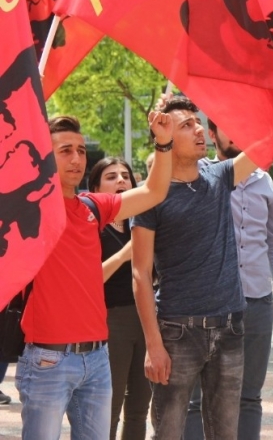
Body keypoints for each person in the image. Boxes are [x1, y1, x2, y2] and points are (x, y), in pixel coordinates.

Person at [131, 47, 273, 438]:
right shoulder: (150, 195)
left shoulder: (220, 176)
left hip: (231, 326)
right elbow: (140, 272)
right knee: (168, 431)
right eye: (186, 125)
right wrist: (153, 343)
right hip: (176, 331)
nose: (199, 129)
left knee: (226, 432)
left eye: (198, 123)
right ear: (164, 135)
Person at [15, 112, 172, 440]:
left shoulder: (93, 207)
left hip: (98, 360)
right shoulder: (28, 207)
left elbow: (155, 192)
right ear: (45, 156)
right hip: (47, 360)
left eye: (81, 150)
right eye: (65, 151)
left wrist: (163, 142)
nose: (76, 158)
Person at [182, 119, 273, 440]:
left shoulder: (264, 182)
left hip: (257, 303)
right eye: (230, 125)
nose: (240, 133)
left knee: (249, 395)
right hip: (210, 303)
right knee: (197, 398)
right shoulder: (199, 177)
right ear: (213, 135)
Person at [88, 157, 151, 440]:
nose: (121, 181)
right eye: (111, 176)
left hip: (148, 317)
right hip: (111, 320)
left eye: (125, 175)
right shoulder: (91, 227)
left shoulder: (142, 222)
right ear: (96, 186)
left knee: (139, 406)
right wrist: (125, 254)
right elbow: (90, 280)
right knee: (108, 406)